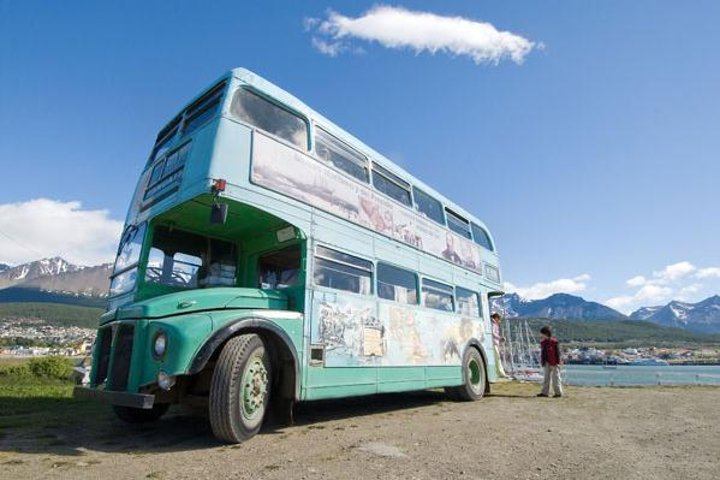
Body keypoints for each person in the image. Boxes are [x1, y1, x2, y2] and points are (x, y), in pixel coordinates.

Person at [538, 325, 563, 398]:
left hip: (554, 362)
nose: (541, 335)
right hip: (546, 362)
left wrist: (557, 363)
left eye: (542, 334)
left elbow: (557, 354)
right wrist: (543, 362)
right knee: (546, 377)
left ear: (546, 334)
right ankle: (545, 392)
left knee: (556, 378)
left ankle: (558, 393)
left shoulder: (554, 342)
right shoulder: (543, 343)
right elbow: (544, 353)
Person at [490, 313, 507, 378]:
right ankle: (501, 373)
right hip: (493, 343)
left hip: (494, 343)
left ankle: (497, 373)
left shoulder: (493, 323)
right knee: (497, 358)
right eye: (499, 319)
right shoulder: (493, 324)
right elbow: (493, 333)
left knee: (495, 358)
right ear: (496, 318)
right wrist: (500, 338)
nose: (500, 321)